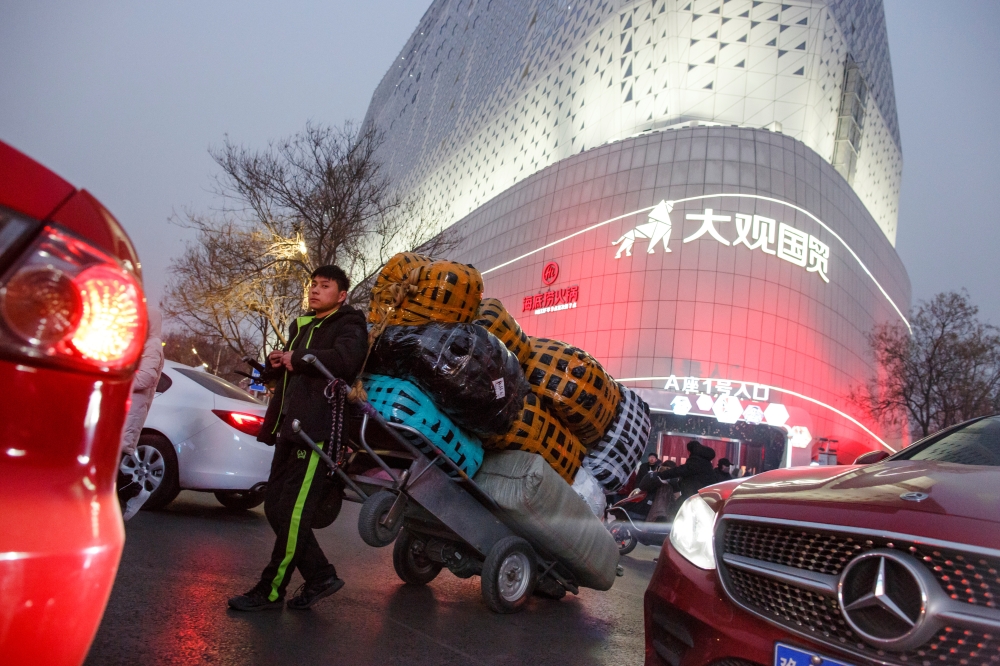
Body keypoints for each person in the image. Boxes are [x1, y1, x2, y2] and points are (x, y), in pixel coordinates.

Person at [228, 266, 368, 612]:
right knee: (276, 507)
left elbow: (345, 361)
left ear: (342, 295)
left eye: (325, 286)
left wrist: (300, 357)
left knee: (291, 513)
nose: (315, 291)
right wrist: (276, 362)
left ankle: (271, 590)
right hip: (290, 428)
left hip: (318, 433)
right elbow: (290, 373)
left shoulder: (350, 324)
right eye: (313, 285)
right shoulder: (301, 326)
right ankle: (320, 575)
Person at [119, 307, 165, 521]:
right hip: (123, 408)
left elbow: (146, 378)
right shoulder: (139, 344)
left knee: (114, 460)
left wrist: (117, 381)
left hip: (131, 411)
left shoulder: (152, 345)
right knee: (110, 463)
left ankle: (135, 492)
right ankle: (130, 495)